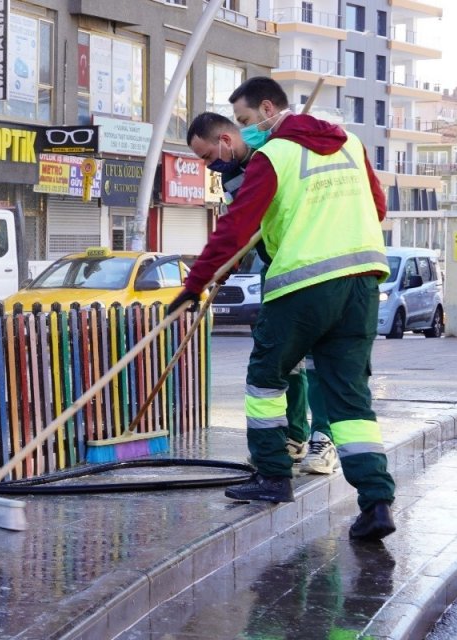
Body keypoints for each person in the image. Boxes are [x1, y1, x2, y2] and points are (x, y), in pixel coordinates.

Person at [170, 77, 396, 541]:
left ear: (268, 109)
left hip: (303, 284)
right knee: (349, 396)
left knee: (265, 379)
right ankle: (376, 502)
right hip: (362, 284)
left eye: (248, 121)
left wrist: (194, 285)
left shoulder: (274, 156)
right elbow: (378, 208)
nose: (246, 130)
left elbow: (234, 230)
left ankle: (273, 476)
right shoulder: (351, 144)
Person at [187, 111, 337, 476]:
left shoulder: (274, 154)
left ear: (225, 140)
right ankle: (295, 437)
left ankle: (324, 439)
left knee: (320, 359)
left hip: (317, 263)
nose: (208, 166)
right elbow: (241, 225)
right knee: (288, 361)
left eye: (207, 157)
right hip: (279, 269)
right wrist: (227, 265)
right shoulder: (231, 175)